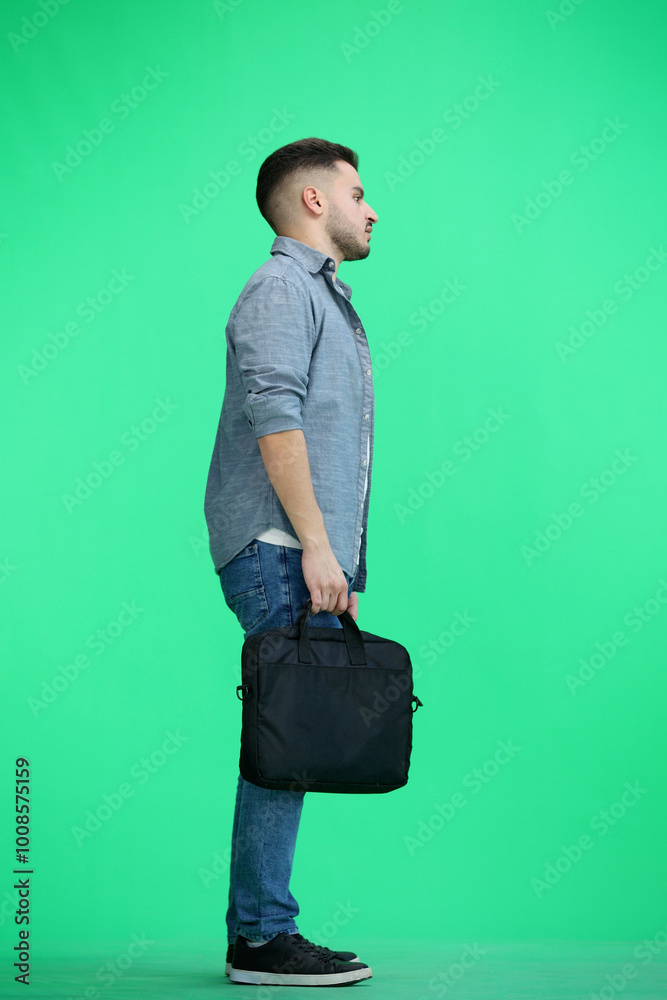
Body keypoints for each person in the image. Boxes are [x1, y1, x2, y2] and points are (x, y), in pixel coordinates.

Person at [204, 136, 378, 987]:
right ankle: (262, 939)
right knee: (284, 739)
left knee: (293, 736)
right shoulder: (280, 288)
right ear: (313, 201)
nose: (370, 207)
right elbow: (276, 419)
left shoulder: (320, 296)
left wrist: (332, 556)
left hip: (299, 551)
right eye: (356, 191)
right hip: (280, 548)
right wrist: (315, 547)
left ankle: (262, 931)